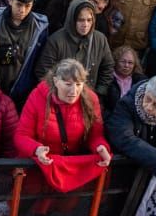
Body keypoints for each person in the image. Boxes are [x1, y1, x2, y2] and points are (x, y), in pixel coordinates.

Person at [15, 59, 112, 194]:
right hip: (39, 169)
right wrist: (36, 149)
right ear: (55, 81)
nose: (74, 90)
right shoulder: (37, 96)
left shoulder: (91, 99)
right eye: (68, 84)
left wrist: (101, 147)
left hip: (71, 169)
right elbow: (21, 135)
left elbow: (95, 135)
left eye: (79, 84)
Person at [35, 0, 114, 100]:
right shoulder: (56, 40)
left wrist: (99, 93)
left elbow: (107, 67)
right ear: (72, 19)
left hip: (88, 99)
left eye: (89, 20)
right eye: (80, 20)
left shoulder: (100, 39)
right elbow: (43, 71)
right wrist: (58, 95)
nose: (85, 24)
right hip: (60, 99)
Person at [0, 0, 48, 103]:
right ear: (10, 1)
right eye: (19, 4)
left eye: (27, 6)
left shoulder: (40, 28)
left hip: (23, 91)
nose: (22, 10)